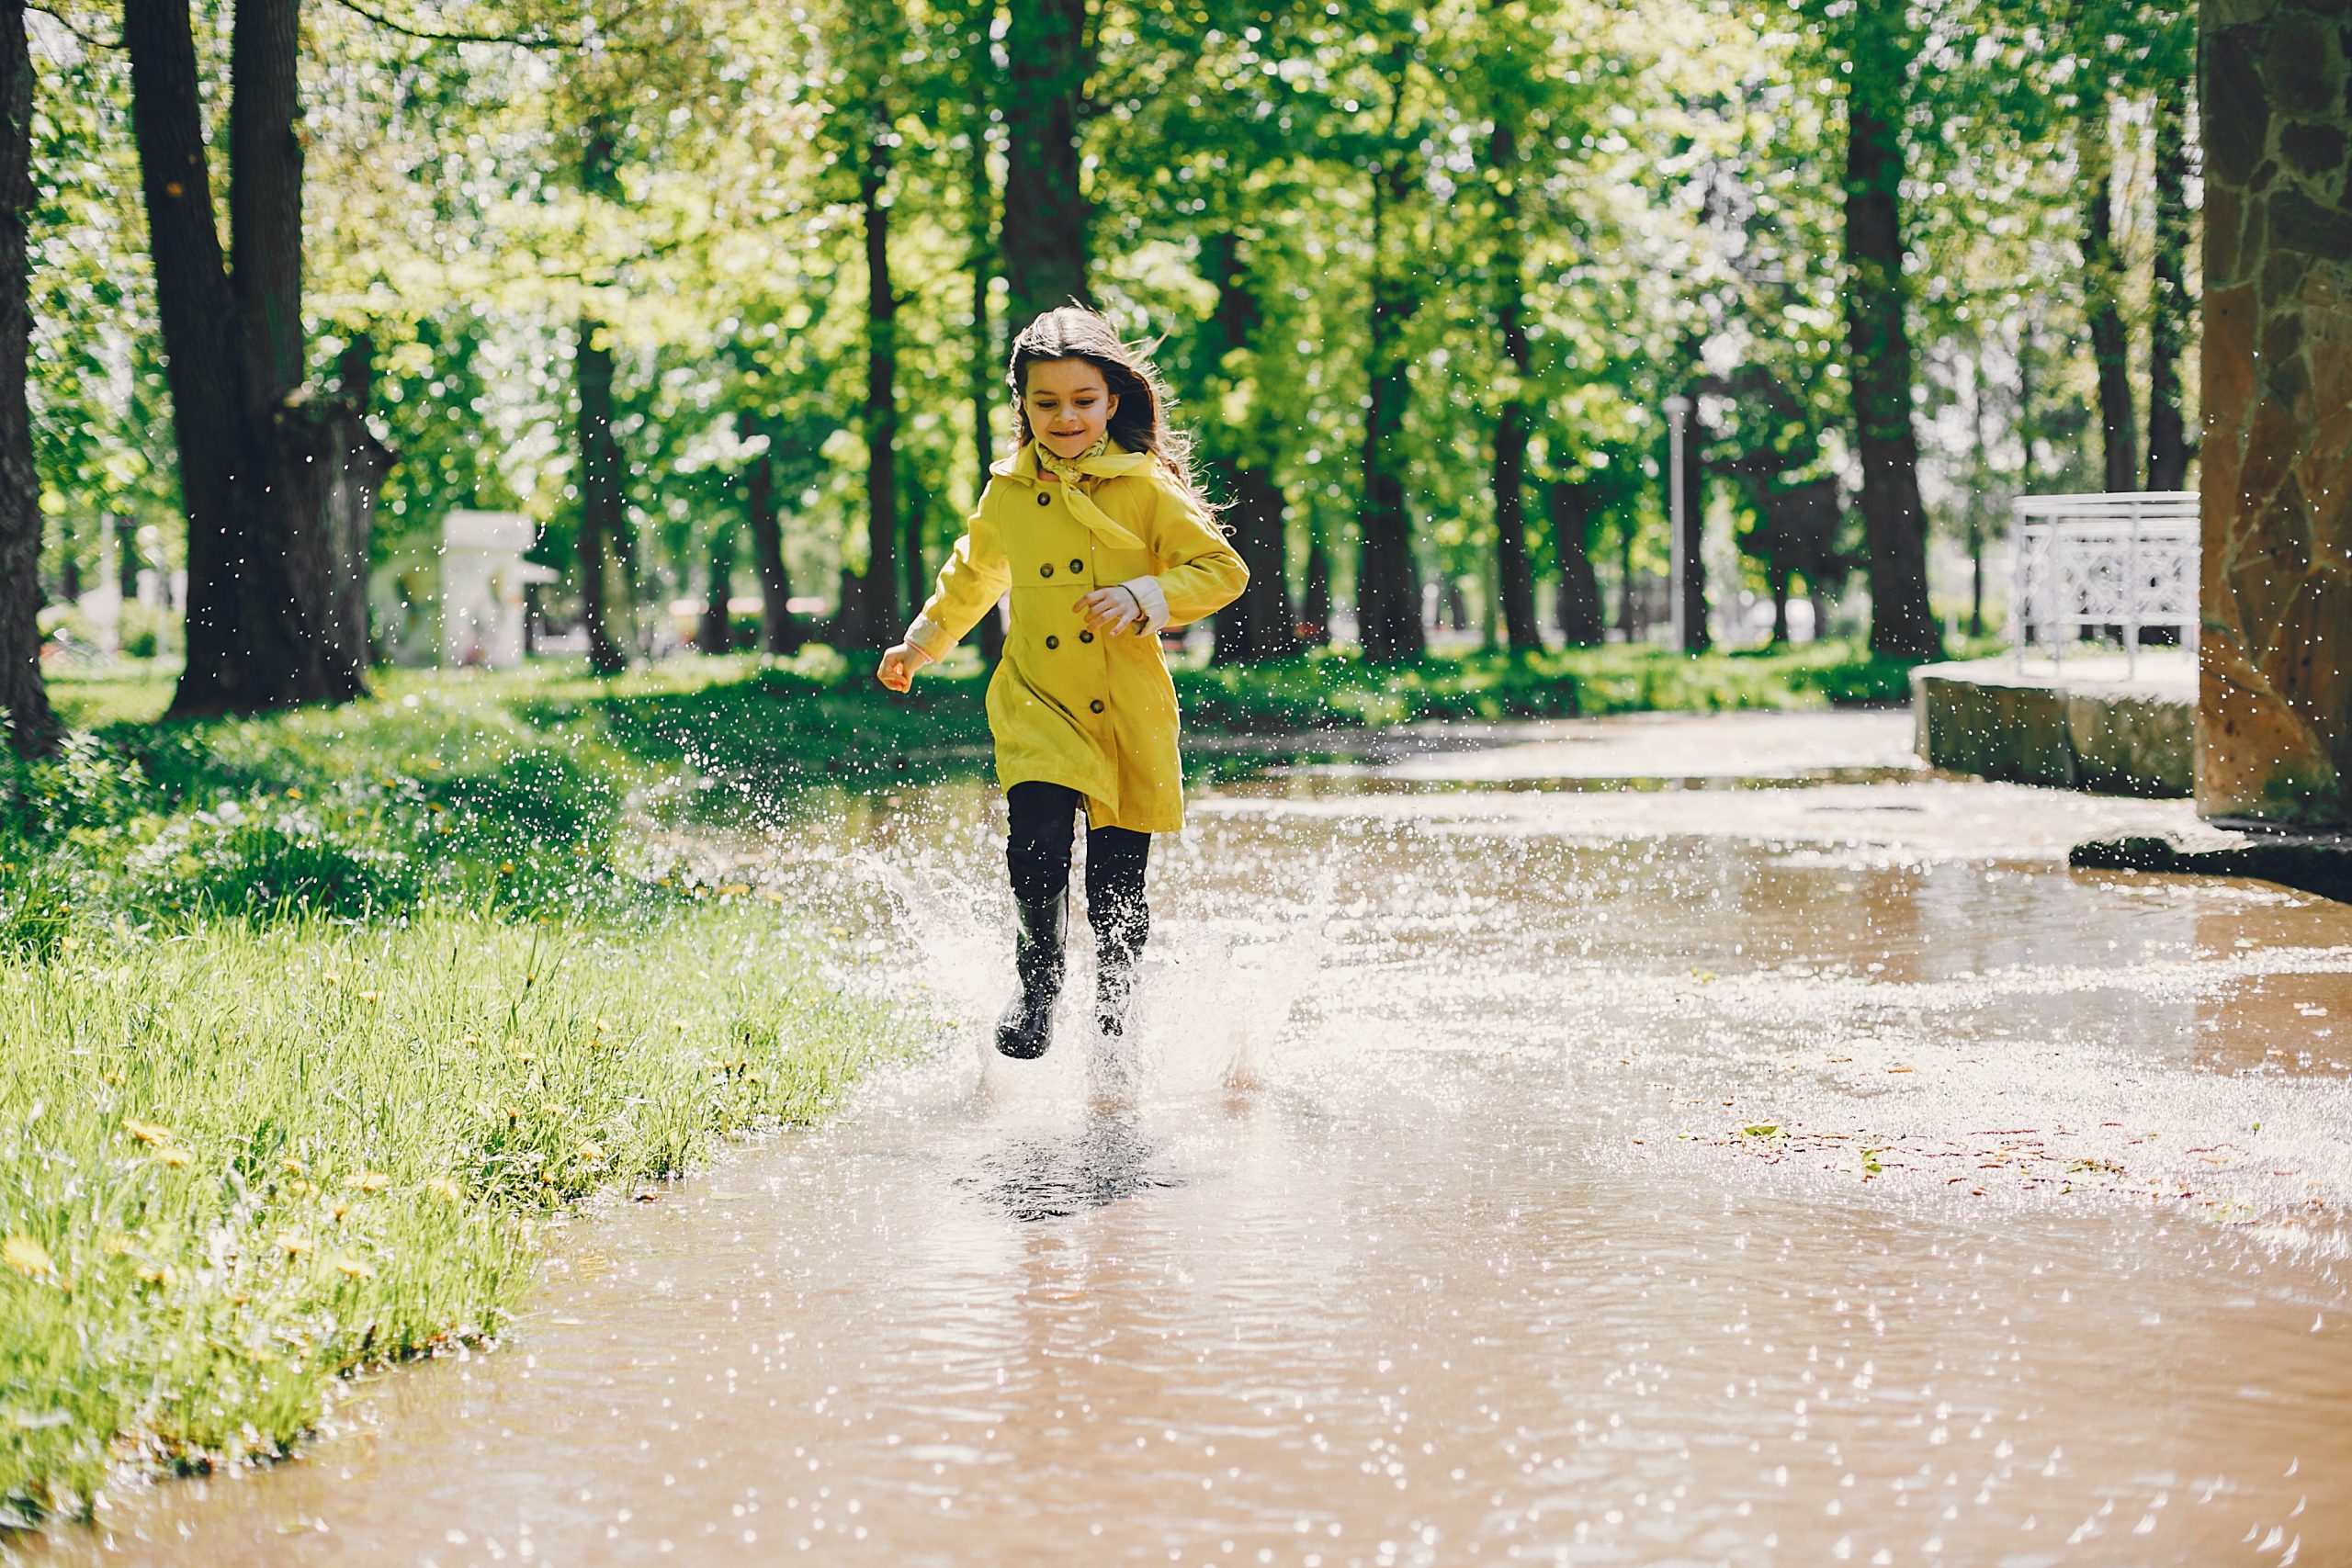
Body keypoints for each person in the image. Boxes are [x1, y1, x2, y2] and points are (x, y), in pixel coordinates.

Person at [876, 306, 1249, 1059]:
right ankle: (1038, 983)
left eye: (1082, 400)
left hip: (1125, 707)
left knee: (1117, 887)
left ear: (1113, 399)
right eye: (1045, 402)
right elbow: (974, 573)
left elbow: (1222, 572)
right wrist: (919, 644)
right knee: (1035, 845)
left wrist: (1146, 595)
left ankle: (1117, 1019)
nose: (1066, 417)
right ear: (1023, 406)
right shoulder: (1009, 492)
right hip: (1037, 697)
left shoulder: (1148, 487)